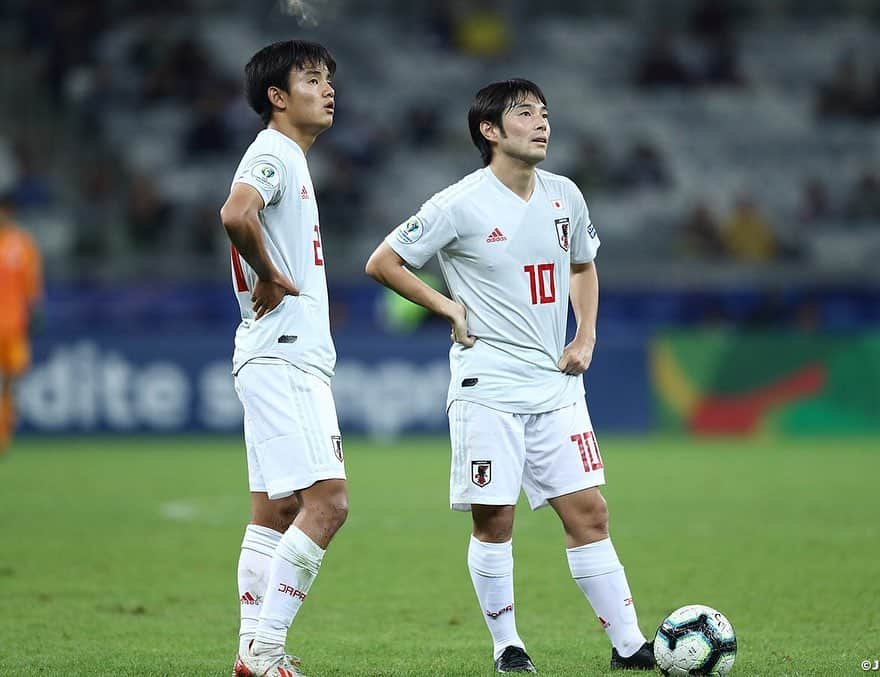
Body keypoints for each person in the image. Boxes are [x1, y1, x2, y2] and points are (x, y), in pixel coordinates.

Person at [366, 79, 655, 673]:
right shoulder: (458, 203)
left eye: (545, 113)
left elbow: (583, 265)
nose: (542, 123)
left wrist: (585, 333)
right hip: (488, 386)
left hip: (555, 386)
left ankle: (630, 647)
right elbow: (383, 262)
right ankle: (508, 646)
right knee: (494, 518)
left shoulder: (564, 195)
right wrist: (446, 306)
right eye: (525, 114)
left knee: (589, 512)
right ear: (490, 131)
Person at [220, 40, 347, 677]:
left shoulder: (288, 157)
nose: (328, 90)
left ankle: (251, 650)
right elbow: (235, 213)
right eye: (313, 79)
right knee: (329, 503)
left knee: (275, 510)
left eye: (329, 80)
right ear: (278, 96)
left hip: (272, 354)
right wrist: (269, 273)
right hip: (285, 356)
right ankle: (264, 652)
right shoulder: (274, 150)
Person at [0, 195, 42, 454]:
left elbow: (32, 283)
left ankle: (3, 433)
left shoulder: (23, 244)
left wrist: (35, 309)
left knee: (12, 381)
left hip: (13, 327)